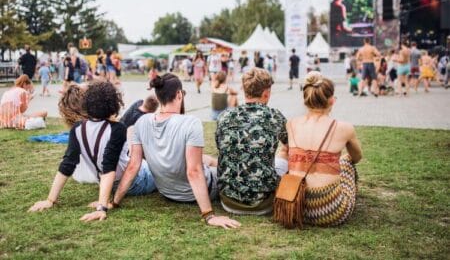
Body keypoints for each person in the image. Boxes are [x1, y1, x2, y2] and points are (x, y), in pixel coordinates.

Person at [112, 73, 240, 229]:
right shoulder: (191, 123)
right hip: (195, 191)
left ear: (158, 96)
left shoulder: (142, 122)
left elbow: (133, 165)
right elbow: (194, 171)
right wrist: (209, 215)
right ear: (179, 94)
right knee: (231, 168)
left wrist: (114, 202)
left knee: (206, 160)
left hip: (167, 192)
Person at [29, 81, 156, 220]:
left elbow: (67, 164)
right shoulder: (117, 129)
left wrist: (50, 200)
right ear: (114, 103)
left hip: (108, 184)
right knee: (141, 146)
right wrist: (102, 206)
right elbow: (109, 168)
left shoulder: (77, 128)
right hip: (136, 182)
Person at [277, 71, 362, 226]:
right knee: (347, 161)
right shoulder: (345, 128)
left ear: (306, 100)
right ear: (332, 101)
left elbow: (286, 151)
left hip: (296, 205)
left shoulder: (291, 124)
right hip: (331, 211)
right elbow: (357, 158)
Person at [215, 68, 288, 215]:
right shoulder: (275, 116)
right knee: (285, 154)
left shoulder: (224, 116)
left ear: (244, 90)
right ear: (266, 93)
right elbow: (291, 147)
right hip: (264, 203)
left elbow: (221, 148)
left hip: (229, 201)